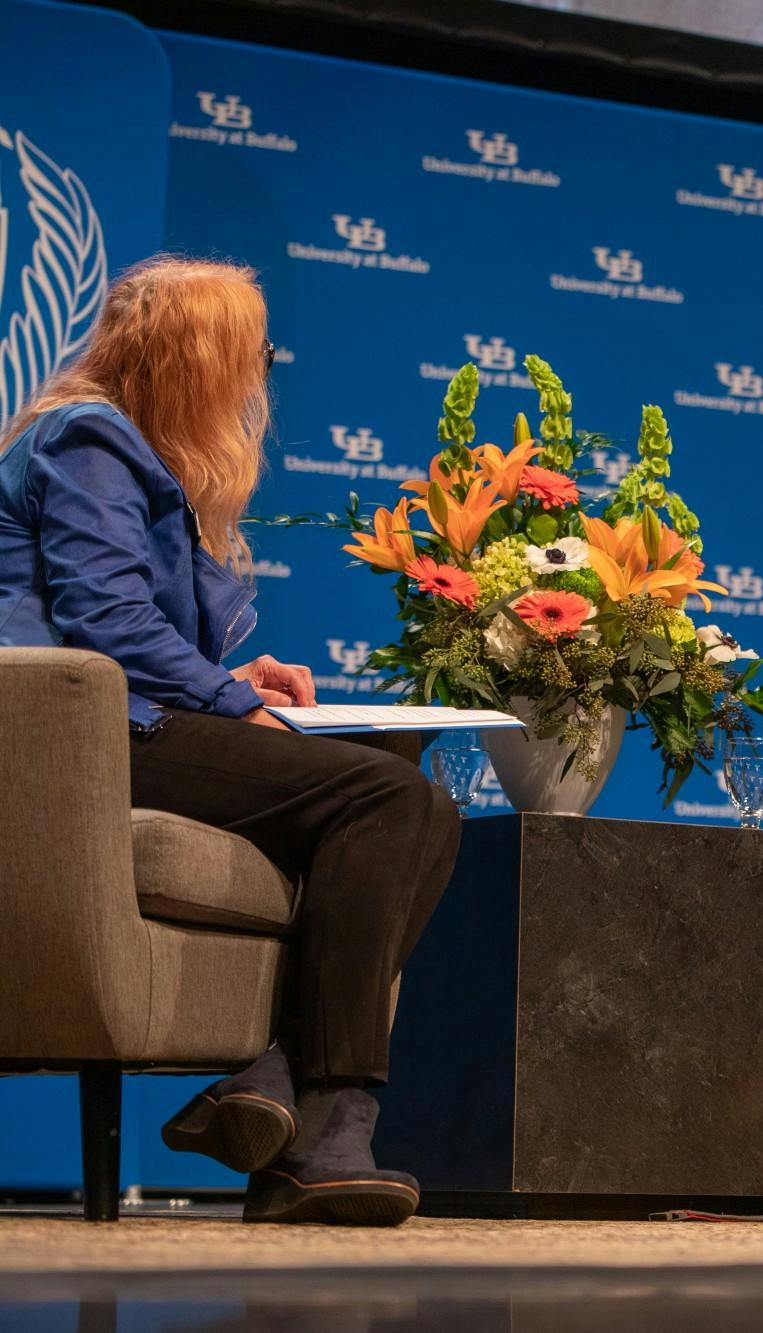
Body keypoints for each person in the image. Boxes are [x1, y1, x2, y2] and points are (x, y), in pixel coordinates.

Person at [0, 257, 458, 1226]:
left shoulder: (120, 447)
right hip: (73, 744)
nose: (260, 377)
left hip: (122, 718)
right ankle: (323, 1120)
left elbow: (119, 620)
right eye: (254, 355)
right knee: (389, 797)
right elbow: (105, 620)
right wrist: (224, 695)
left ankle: (274, 1086)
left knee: (390, 774)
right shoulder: (88, 438)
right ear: (197, 360)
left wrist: (235, 681)